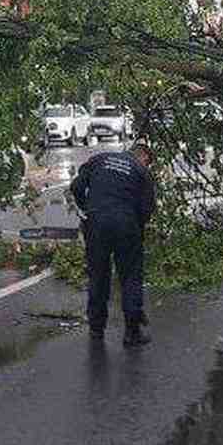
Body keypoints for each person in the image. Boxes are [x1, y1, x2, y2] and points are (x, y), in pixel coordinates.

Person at [71, 143, 157, 346]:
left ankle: (96, 329)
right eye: (148, 162)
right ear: (143, 156)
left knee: (98, 275)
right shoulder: (141, 171)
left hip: (96, 222)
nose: (148, 165)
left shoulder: (99, 159)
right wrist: (137, 228)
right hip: (126, 225)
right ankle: (132, 332)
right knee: (130, 276)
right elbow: (147, 209)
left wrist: (87, 209)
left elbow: (76, 187)